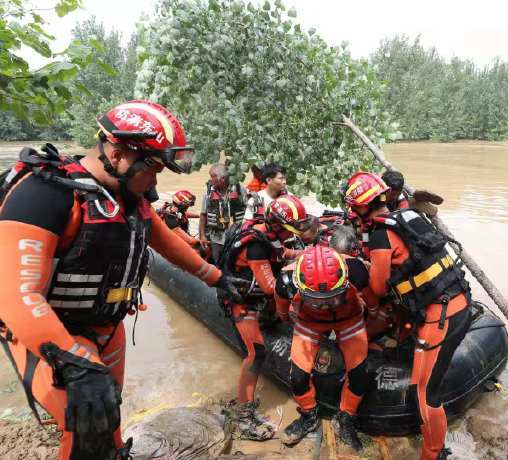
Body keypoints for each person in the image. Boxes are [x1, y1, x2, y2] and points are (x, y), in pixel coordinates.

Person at [0, 100, 244, 460]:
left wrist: (217, 278)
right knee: (85, 423)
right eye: (153, 167)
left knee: (109, 416)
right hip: (52, 331)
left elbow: (164, 240)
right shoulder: (44, 194)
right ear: (117, 154)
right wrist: (75, 363)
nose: (157, 179)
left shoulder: (129, 198)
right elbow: (15, 298)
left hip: (107, 327)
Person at [343, 171, 473, 460]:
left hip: (442, 315)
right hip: (458, 300)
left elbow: (377, 286)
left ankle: (433, 453)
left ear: (361, 207)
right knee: (421, 386)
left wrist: (362, 275)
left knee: (425, 394)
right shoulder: (409, 216)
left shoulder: (380, 234)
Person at [220, 194, 313, 441]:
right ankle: (243, 413)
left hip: (255, 297)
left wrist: (305, 255)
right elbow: (271, 286)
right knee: (256, 354)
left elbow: (282, 252)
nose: (292, 234)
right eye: (289, 229)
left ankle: (245, 404)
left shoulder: (268, 234)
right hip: (242, 302)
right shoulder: (257, 244)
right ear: (276, 225)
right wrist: (301, 284)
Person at [275, 245, 372, 451]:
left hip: (349, 320)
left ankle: (346, 418)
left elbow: (373, 300)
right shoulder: (285, 283)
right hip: (310, 323)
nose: (327, 305)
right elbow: (282, 312)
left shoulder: (358, 271)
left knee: (360, 375)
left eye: (332, 298)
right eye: (318, 301)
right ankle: (309, 415)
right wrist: (292, 322)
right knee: (298, 377)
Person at [199, 164, 247, 264]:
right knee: (218, 263)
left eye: (213, 176)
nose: (211, 180)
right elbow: (203, 215)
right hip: (217, 238)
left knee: (235, 262)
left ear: (223, 178)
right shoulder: (208, 192)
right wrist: (202, 236)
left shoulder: (239, 189)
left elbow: (248, 212)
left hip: (237, 236)